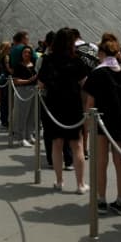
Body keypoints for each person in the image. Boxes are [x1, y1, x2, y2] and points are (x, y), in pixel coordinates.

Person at [38, 27, 89, 194]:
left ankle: (59, 181)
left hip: (54, 105)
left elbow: (41, 84)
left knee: (57, 144)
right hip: (73, 105)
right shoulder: (77, 60)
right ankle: (80, 184)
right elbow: (84, 84)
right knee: (77, 145)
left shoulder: (48, 59)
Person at [84, 32, 121, 216]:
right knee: (120, 163)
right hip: (120, 121)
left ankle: (101, 200)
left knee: (101, 162)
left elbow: (90, 103)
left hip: (100, 122)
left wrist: (87, 124)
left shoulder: (97, 73)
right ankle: (120, 201)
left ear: (102, 53)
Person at [37, 31, 73, 170]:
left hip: (49, 99)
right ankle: (69, 160)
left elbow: (40, 82)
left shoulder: (45, 59)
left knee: (49, 131)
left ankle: (52, 160)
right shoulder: (74, 59)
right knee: (67, 130)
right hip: (69, 100)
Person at [12, 46, 38, 147]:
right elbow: (15, 80)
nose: (27, 54)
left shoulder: (34, 64)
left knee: (32, 114)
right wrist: (28, 81)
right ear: (21, 54)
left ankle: (29, 134)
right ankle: (21, 137)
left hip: (33, 90)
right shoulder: (19, 66)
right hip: (23, 90)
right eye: (25, 53)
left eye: (29, 53)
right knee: (22, 114)